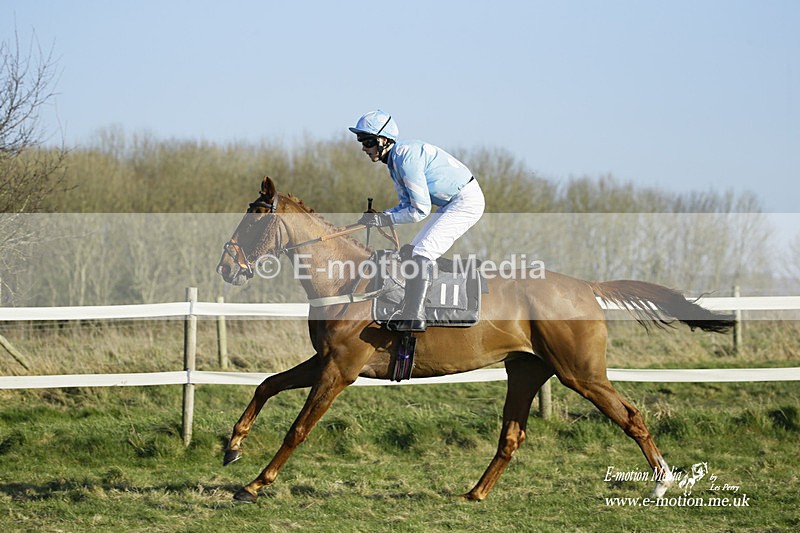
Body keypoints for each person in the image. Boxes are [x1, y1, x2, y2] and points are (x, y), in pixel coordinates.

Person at [350, 109, 485, 332]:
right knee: (412, 252)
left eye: (368, 141)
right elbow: (406, 206)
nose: (364, 148)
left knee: (423, 252)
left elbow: (419, 211)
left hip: (465, 201)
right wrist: (382, 216)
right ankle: (411, 307)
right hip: (451, 202)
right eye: (361, 141)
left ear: (384, 140)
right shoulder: (395, 161)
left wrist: (384, 220)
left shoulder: (405, 158)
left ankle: (414, 315)